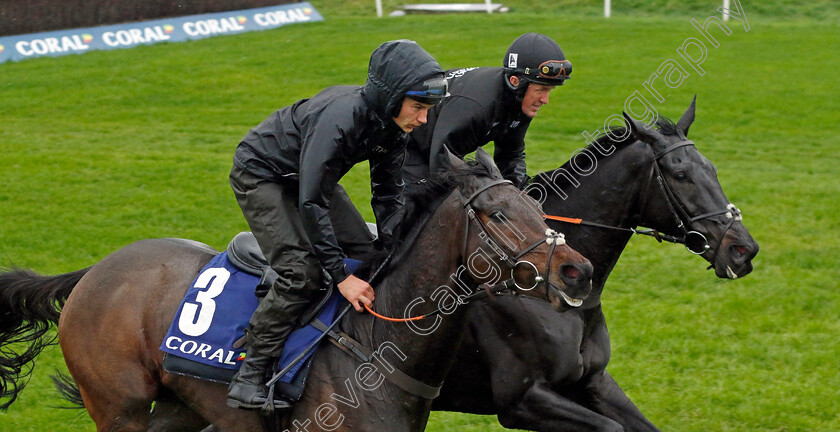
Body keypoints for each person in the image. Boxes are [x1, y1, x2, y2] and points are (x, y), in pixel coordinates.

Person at [227, 39, 447, 409]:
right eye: (419, 107)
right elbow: (311, 201)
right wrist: (342, 279)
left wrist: (396, 244)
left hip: (308, 178)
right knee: (302, 272)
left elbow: (388, 193)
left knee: (370, 252)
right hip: (262, 175)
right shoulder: (340, 118)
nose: (423, 119)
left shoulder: (393, 125)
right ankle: (249, 375)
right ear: (392, 98)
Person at [403, 32, 572, 189]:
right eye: (540, 90)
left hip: (438, 147)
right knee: (422, 207)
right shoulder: (476, 106)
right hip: (408, 143)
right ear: (515, 81)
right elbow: (442, 167)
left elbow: (510, 155)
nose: (545, 100)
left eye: (549, 91)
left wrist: (523, 194)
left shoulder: (520, 100)